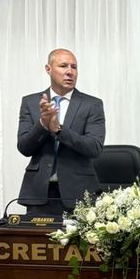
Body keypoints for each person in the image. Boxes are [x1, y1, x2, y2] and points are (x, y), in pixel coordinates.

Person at [17, 48, 105, 217]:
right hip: (39, 193)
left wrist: (58, 129)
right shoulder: (30, 102)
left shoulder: (92, 104)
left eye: (74, 67)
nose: (70, 72)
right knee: (36, 243)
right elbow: (24, 148)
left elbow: (94, 148)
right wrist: (42, 124)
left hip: (79, 193)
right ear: (48, 69)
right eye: (63, 66)